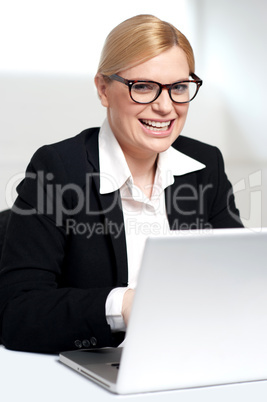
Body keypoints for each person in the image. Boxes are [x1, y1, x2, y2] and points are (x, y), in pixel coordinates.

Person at [0, 14, 243, 354]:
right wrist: (125, 306)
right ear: (103, 89)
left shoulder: (206, 165)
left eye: (179, 88)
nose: (164, 107)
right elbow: (18, 314)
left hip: (190, 356)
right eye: (142, 86)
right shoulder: (57, 169)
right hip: (100, 367)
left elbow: (237, 279)